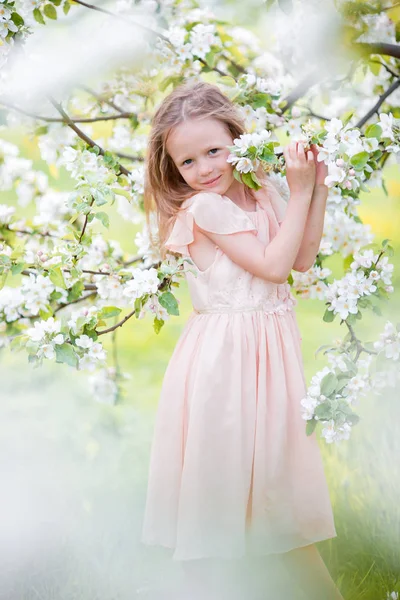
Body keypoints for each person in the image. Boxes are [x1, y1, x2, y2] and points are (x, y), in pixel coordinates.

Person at [140, 80, 344, 600]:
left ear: (237, 138)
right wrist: (297, 193)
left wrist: (313, 186)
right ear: (173, 169)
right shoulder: (204, 211)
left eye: (214, 150)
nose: (205, 169)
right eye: (188, 162)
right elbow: (274, 268)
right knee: (215, 498)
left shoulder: (260, 190)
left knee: (280, 487)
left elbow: (300, 256)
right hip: (224, 365)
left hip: (269, 361)